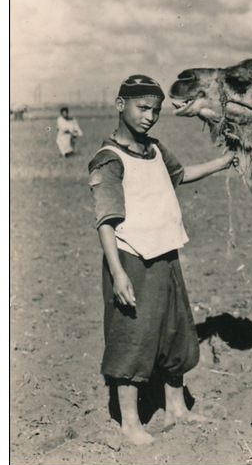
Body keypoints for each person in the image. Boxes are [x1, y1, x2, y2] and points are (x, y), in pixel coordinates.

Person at [87, 75, 235, 445]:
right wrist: (118, 273)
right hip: (133, 260)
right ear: (121, 105)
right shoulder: (109, 160)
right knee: (131, 338)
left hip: (167, 255)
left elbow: (181, 175)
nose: (150, 116)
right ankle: (131, 423)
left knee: (175, 332)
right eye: (142, 108)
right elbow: (106, 222)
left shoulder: (154, 150)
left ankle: (176, 408)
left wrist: (223, 162)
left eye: (155, 110)